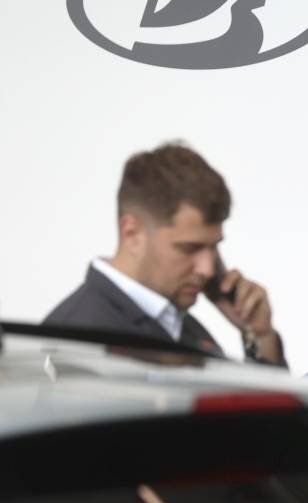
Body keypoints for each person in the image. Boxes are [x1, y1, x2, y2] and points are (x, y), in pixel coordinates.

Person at [44, 142, 286, 366]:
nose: (208, 269)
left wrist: (259, 335)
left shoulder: (182, 327)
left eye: (213, 247)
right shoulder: (76, 340)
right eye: (189, 248)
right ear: (131, 233)